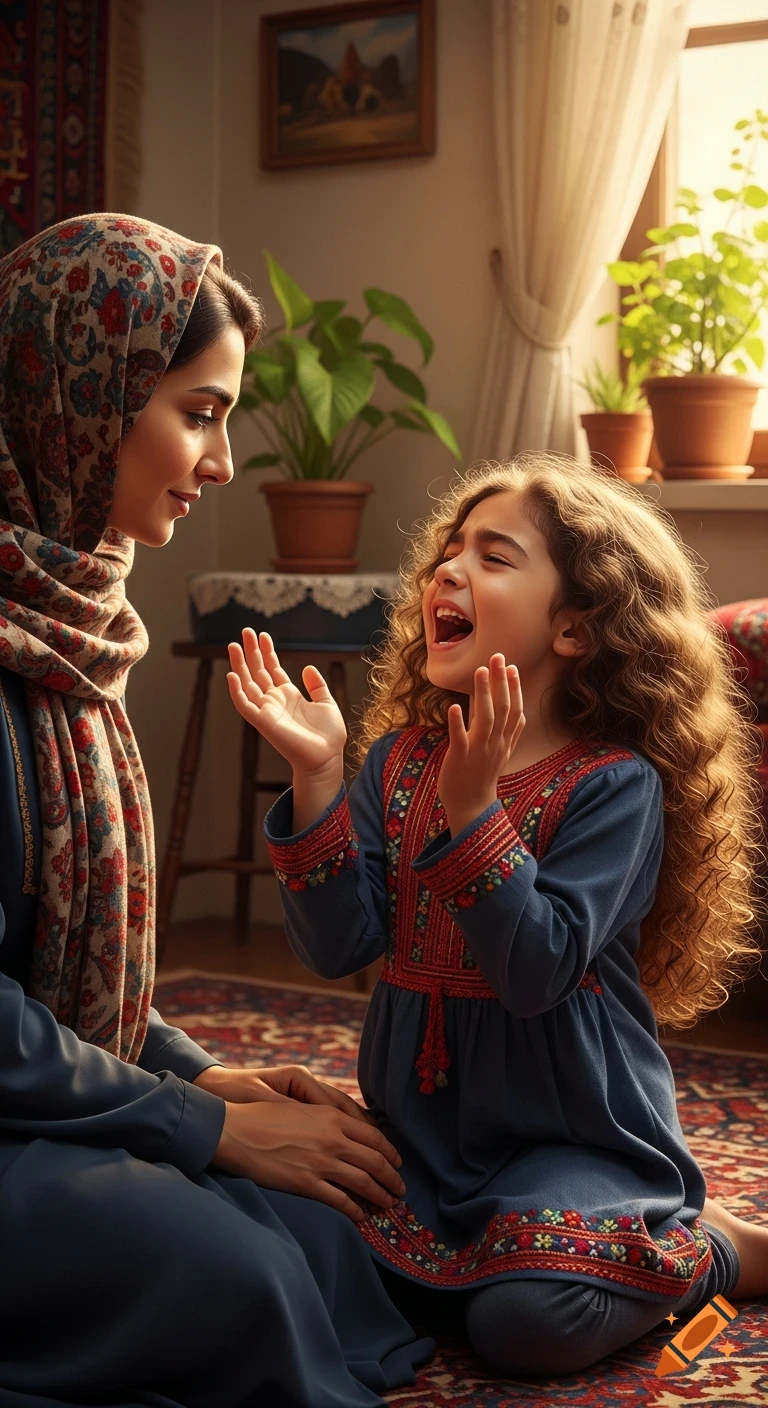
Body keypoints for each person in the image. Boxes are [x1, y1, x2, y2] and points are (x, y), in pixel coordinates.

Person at [0, 213, 433, 1408]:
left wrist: (197, 1077)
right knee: (236, 1272)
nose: (225, 461)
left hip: (36, 1098)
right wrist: (193, 1125)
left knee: (339, 1228)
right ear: (81, 403)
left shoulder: (69, 625)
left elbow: (61, 975)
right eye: (198, 412)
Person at [227, 455, 768, 1378]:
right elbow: (338, 945)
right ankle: (508, 1254)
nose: (448, 569)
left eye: (495, 555)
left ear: (576, 625)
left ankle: (712, 1244)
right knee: (279, 1239)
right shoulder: (397, 762)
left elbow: (537, 971)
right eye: (448, 551)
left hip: (573, 1138)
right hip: (422, 1140)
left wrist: (473, 815)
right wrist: (318, 779)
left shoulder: (613, 786)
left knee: (529, 1324)